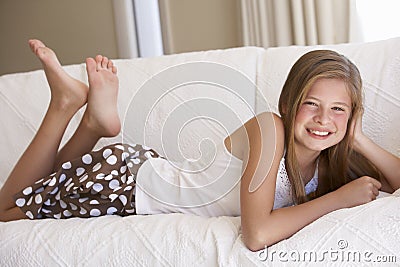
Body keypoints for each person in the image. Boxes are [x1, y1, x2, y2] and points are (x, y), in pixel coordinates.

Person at [0, 40, 399, 252]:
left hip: (138, 169)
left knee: (44, 188)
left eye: (338, 110)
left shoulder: (331, 161)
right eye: (311, 104)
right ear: (287, 104)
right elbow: (256, 234)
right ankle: (63, 108)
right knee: (5, 211)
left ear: (351, 115)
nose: (323, 119)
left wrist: (359, 137)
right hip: (124, 185)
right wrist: (339, 199)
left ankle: (92, 122)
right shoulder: (270, 129)